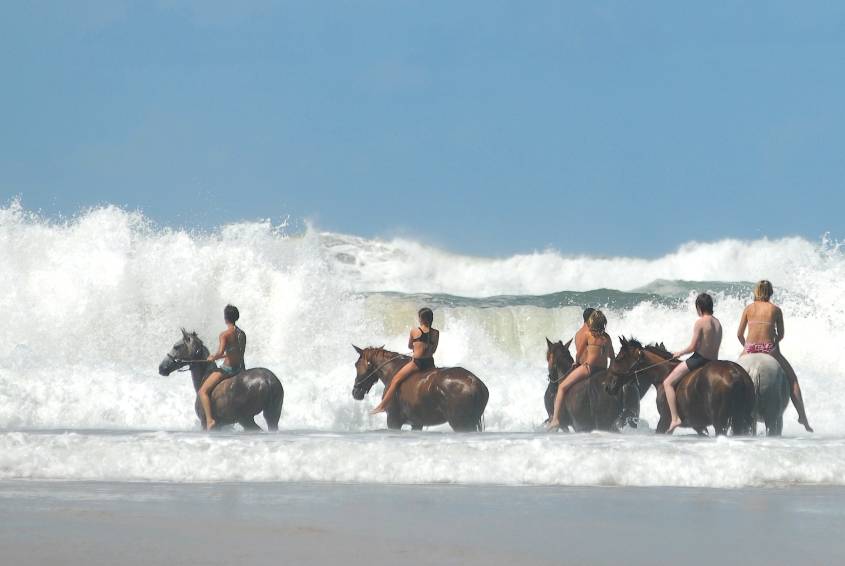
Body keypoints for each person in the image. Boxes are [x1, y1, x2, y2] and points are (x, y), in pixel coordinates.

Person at [737, 280, 813, 432]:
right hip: (769, 348)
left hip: (749, 348)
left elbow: (739, 334)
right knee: (792, 380)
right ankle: (802, 416)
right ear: (770, 293)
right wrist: (774, 340)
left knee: (732, 377)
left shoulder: (748, 308)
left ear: (756, 292)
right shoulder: (776, 310)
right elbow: (782, 335)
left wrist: (747, 346)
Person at [663, 293, 722, 434]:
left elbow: (693, 347)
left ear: (699, 307)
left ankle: (675, 418)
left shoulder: (701, 322)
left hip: (700, 359)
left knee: (668, 383)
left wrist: (679, 353)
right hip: (714, 361)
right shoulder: (718, 322)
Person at [547, 310, 614, 430]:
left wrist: (576, 362)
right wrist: (609, 371)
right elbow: (612, 357)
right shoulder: (607, 338)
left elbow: (579, 353)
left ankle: (556, 419)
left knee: (562, 387)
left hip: (588, 369)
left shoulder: (588, 335)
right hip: (603, 370)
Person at [370, 307, 439, 415]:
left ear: (423, 319)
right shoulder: (436, 333)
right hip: (430, 363)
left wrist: (416, 349)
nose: (419, 319)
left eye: (419, 317)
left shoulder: (415, 331)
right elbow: (433, 350)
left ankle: (382, 406)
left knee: (395, 380)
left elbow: (410, 346)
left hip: (417, 364)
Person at [199, 304, 247, 430]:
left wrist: (212, 357)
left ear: (226, 318)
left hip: (228, 370)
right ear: (236, 317)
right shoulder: (242, 334)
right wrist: (222, 356)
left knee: (203, 391)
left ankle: (209, 420)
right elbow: (237, 353)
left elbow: (220, 353)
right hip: (240, 369)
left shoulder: (224, 334)